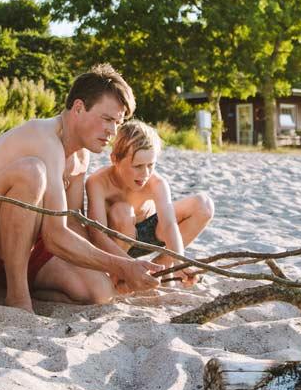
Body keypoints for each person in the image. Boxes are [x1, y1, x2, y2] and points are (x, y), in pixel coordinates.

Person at [0, 65, 162, 312]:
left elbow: (71, 224)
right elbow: (55, 235)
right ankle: (18, 296)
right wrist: (122, 267)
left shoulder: (81, 156)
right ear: (79, 108)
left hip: (22, 246)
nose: (113, 131)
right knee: (31, 172)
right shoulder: (43, 137)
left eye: (118, 122)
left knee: (99, 292)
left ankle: (12, 285)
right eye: (107, 119)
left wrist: (120, 268)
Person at [85, 121, 214, 285]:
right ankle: (120, 275)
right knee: (122, 211)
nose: (145, 173)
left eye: (151, 165)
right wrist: (129, 266)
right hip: (116, 245)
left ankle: (163, 267)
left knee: (204, 205)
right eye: (138, 166)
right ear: (115, 159)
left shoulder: (156, 183)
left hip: (148, 236)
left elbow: (168, 225)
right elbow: (97, 234)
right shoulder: (97, 182)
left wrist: (179, 262)